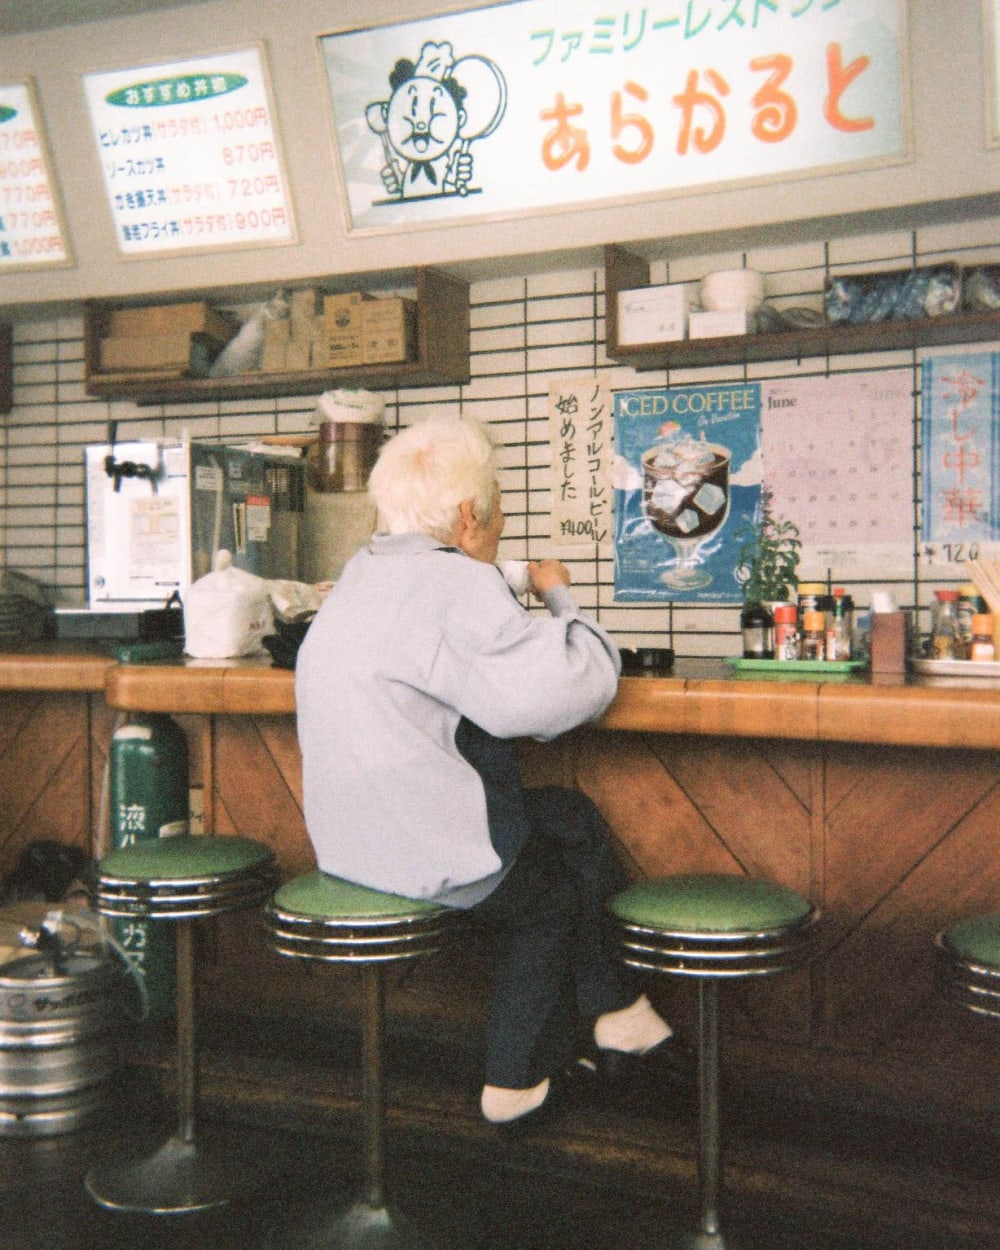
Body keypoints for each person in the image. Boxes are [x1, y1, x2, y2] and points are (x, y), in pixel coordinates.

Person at [295, 415, 690, 1130]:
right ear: (470, 516)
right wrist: (560, 594)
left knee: (570, 819)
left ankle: (618, 1012)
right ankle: (515, 1084)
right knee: (549, 901)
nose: (503, 522)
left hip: (350, 840)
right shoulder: (454, 584)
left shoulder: (360, 575)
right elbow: (570, 691)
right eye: (501, 507)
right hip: (418, 846)